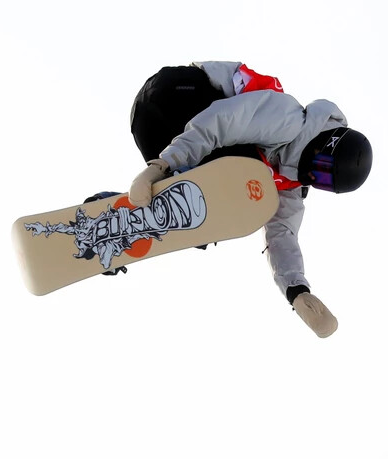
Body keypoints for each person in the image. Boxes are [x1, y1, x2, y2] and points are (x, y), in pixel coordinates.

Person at [124, 61, 373, 339]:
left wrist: (297, 291)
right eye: (323, 167)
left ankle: (120, 215)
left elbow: (283, 236)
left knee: (201, 211)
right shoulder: (289, 119)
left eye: (323, 182)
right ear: (326, 142)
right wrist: (162, 164)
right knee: (246, 180)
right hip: (176, 93)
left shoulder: (290, 185)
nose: (315, 176)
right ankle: (170, 176)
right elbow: (223, 121)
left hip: (152, 128)